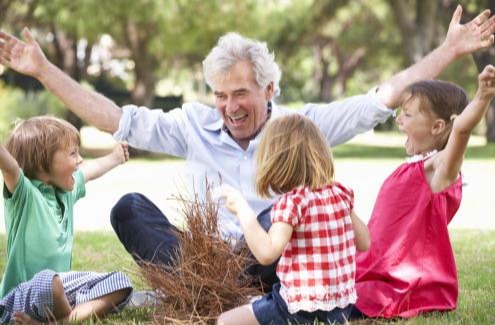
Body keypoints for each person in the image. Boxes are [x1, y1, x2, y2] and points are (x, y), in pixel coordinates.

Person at [0, 5, 494, 288]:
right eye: (220, 95)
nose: (229, 106)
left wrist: (449, 50)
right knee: (129, 209)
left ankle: (226, 293)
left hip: (267, 254)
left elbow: (381, 98)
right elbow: (113, 118)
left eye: (241, 93)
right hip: (198, 256)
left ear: (269, 90)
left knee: (276, 214)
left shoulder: (303, 125)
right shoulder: (192, 123)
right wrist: (44, 70)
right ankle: (204, 289)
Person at [352, 64, 495, 319]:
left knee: (334, 304)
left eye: (407, 114)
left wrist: (483, 96)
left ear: (437, 127)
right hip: (377, 269)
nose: (398, 119)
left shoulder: (438, 170)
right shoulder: (414, 166)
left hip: (401, 283)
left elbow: (461, 129)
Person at [215, 114, 371, 325]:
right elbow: (364, 242)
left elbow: (266, 254)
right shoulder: (340, 194)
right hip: (339, 310)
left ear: (276, 161)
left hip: (296, 308)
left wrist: (243, 210)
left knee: (225, 321)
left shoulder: (293, 203)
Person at [0, 116, 133, 323]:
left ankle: (62, 321)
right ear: (42, 161)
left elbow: (90, 171)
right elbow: (10, 167)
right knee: (49, 280)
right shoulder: (24, 195)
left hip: (61, 294)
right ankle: (68, 315)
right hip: (21, 300)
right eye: (73, 153)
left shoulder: (65, 193)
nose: (80, 160)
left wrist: (116, 157)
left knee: (121, 282)